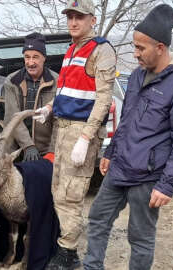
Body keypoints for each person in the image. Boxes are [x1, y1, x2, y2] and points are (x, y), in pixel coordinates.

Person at [83, 4, 173, 270]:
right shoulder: (137, 77)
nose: (135, 54)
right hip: (120, 168)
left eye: (140, 48)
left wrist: (167, 185)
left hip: (148, 178)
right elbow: (127, 121)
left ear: (160, 47)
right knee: (97, 218)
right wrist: (111, 152)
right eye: (134, 46)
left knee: (140, 238)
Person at [34, 0, 117, 268]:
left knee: (71, 194)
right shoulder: (71, 50)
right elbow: (65, 90)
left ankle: (68, 253)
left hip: (81, 131)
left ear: (92, 20)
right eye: (70, 16)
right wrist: (49, 107)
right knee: (58, 190)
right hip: (61, 128)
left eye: (79, 17)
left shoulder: (101, 50)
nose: (73, 22)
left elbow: (104, 100)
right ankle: (64, 245)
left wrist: (85, 138)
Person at [3, 32, 58, 161]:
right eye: (27, 57)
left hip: (45, 152)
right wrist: (28, 146)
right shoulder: (12, 81)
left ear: (44, 57)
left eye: (35, 57)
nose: (31, 62)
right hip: (15, 151)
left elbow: (58, 121)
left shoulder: (57, 81)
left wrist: (53, 151)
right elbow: (12, 116)